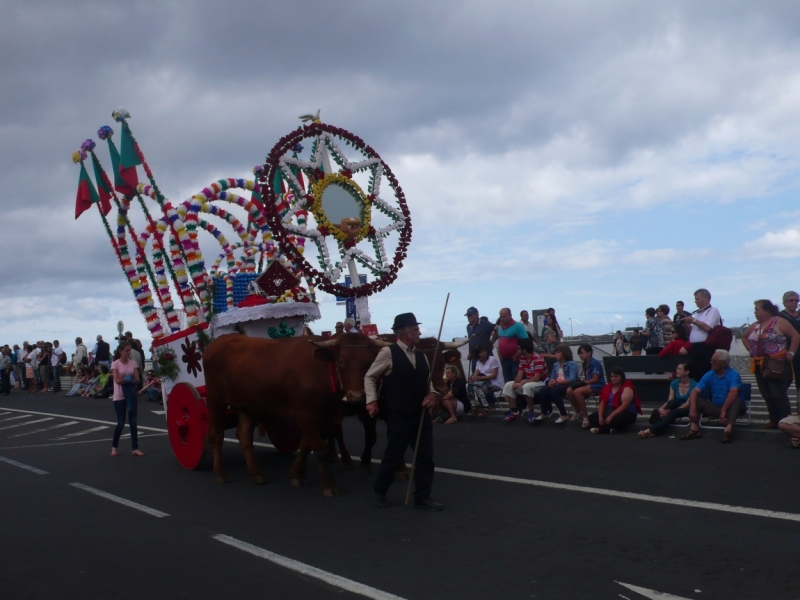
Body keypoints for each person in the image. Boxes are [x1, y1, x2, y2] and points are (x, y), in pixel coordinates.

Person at [365, 313, 442, 511]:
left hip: (421, 414)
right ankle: (380, 491)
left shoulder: (422, 355)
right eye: (415, 329)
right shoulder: (388, 353)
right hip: (398, 414)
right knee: (393, 456)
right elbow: (370, 377)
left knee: (425, 457)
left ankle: (423, 497)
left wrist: (432, 395)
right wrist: (371, 400)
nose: (419, 333)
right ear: (404, 333)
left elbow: (429, 384)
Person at [741, 299, 799, 429]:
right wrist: (750, 349)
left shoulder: (780, 322)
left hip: (776, 363)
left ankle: (786, 421)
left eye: (757, 309)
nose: (755, 312)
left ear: (767, 310)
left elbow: (795, 336)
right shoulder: (756, 324)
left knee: (778, 393)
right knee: (766, 393)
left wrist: (791, 353)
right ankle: (774, 419)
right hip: (758, 363)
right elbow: (745, 336)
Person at [680, 350, 745, 443]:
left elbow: (734, 392)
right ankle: (694, 429)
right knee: (695, 399)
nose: (711, 363)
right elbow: (695, 391)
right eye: (711, 360)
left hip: (732, 408)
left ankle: (728, 430)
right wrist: (693, 408)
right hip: (716, 407)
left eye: (714, 361)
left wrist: (724, 409)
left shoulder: (733, 374)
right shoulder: (709, 374)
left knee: (737, 400)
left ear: (723, 363)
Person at [638, 362, 697, 438]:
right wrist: (661, 409)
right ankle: (657, 428)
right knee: (672, 403)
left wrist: (670, 412)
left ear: (687, 372)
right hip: (677, 406)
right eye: (677, 368)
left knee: (673, 412)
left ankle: (650, 430)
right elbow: (670, 400)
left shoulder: (694, 385)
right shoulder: (674, 383)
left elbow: (688, 403)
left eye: (680, 369)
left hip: (689, 408)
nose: (677, 370)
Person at [500, 338, 547, 423]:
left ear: (524, 350)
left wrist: (521, 383)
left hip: (541, 382)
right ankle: (514, 411)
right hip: (529, 381)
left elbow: (537, 377)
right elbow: (519, 374)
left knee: (526, 386)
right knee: (508, 385)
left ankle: (531, 411)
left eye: (518, 348)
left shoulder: (538, 358)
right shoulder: (522, 358)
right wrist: (515, 383)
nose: (516, 350)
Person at [110, 342, 144, 457]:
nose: (129, 353)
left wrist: (125, 378)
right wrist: (128, 379)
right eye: (126, 351)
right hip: (119, 396)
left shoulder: (133, 363)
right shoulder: (115, 364)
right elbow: (117, 380)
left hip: (131, 394)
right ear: (121, 351)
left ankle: (135, 448)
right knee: (121, 423)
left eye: (129, 351)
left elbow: (137, 379)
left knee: (133, 422)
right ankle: (114, 447)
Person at [588, 367, 642, 434]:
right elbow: (602, 403)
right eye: (612, 376)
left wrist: (611, 416)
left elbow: (625, 405)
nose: (613, 378)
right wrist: (600, 417)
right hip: (610, 410)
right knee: (592, 418)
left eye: (616, 376)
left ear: (621, 377)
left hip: (626, 412)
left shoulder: (627, 387)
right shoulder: (608, 387)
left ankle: (603, 430)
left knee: (616, 420)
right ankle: (613, 429)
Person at [683, 288, 721, 380]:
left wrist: (694, 320)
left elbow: (708, 327)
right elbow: (693, 331)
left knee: (705, 373)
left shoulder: (712, 310)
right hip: (695, 348)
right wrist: (686, 323)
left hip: (706, 348)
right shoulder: (698, 313)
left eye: (697, 299)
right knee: (698, 374)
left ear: (706, 298)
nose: (695, 302)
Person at [536, 344, 578, 423]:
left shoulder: (572, 364)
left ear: (565, 353)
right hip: (556, 384)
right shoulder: (556, 364)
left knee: (554, 391)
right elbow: (552, 377)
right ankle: (544, 412)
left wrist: (557, 382)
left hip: (567, 385)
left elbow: (572, 379)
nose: (556, 354)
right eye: (556, 352)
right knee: (542, 390)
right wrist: (551, 382)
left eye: (558, 352)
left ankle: (563, 414)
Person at [566, 344, 606, 427]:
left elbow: (595, 379)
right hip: (589, 384)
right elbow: (587, 376)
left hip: (598, 385)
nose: (580, 355)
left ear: (589, 353)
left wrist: (583, 383)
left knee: (577, 391)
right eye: (579, 354)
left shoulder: (595, 363)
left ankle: (585, 416)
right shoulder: (585, 364)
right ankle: (577, 411)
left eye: (582, 353)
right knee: (569, 390)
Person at [491, 308, 529, 386]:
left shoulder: (518, 326)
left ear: (510, 316)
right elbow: (496, 339)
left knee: (516, 383)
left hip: (516, 360)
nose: (502, 318)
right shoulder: (500, 327)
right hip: (504, 360)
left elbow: (525, 342)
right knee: (508, 383)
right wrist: (498, 353)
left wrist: (517, 354)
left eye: (504, 316)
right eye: (501, 317)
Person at [779, 290, 800, 407]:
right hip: (786, 351)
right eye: (791, 300)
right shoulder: (780, 316)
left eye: (796, 300)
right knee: (784, 381)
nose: (794, 303)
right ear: (785, 302)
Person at [468, 344, 502, 417]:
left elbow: (494, 375)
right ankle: (474, 406)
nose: (483, 353)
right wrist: (473, 378)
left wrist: (480, 378)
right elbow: (475, 375)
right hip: (483, 383)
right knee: (468, 385)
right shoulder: (478, 362)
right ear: (478, 354)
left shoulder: (492, 359)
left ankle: (486, 408)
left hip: (494, 383)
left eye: (484, 351)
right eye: (480, 352)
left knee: (476, 387)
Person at [465, 307, 495, 373]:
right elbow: (470, 340)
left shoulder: (484, 323)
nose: (468, 317)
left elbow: (497, 328)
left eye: (470, 315)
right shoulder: (468, 327)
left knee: (487, 376)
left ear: (476, 315)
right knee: (475, 379)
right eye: (467, 316)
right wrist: (470, 352)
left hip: (485, 356)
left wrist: (492, 341)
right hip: (474, 357)